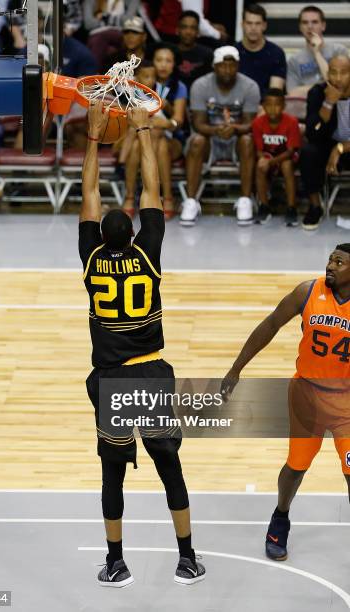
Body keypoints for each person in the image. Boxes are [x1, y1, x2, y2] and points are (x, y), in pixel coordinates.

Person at [79, 99, 205, 586]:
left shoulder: (91, 261)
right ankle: (187, 558)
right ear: (133, 234)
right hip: (150, 373)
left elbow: (89, 189)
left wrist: (94, 136)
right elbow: (153, 188)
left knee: (113, 474)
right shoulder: (147, 253)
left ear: (97, 238)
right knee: (169, 468)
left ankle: (115, 562)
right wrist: (144, 129)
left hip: (110, 379)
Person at [221, 244, 350, 561]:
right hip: (307, 394)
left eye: (340, 262)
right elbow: (270, 325)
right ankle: (280, 516)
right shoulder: (307, 292)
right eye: (330, 259)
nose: (330, 265)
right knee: (296, 467)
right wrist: (236, 368)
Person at [181, 45, 260, 227]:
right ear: (214, 67)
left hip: (237, 139)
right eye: (222, 65)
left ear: (238, 66)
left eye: (232, 65)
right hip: (210, 139)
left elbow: (250, 124)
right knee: (196, 141)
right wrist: (217, 130)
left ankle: (245, 200)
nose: (227, 70)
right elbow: (198, 124)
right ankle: (191, 201)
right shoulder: (200, 85)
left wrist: (233, 128)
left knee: (248, 140)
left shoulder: (250, 86)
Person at [122, 46, 187, 220]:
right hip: (139, 137)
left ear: (174, 65)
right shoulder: (137, 85)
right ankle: (161, 198)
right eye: (159, 60)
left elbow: (178, 121)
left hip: (171, 138)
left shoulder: (178, 87)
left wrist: (166, 123)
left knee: (162, 144)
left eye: (168, 61)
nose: (163, 65)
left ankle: (142, 197)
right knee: (141, 144)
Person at [300, 54, 350, 231]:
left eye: (343, 73)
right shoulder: (317, 93)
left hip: (346, 147)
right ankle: (315, 206)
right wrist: (328, 104)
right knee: (308, 151)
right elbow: (313, 133)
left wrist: (340, 148)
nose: (338, 78)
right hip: (327, 145)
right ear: (327, 74)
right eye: (333, 73)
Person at [252, 89, 301, 226]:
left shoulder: (291, 122)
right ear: (263, 106)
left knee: (286, 165)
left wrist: (271, 162)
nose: (273, 109)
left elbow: (291, 151)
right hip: (268, 156)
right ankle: (264, 207)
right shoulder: (257, 123)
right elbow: (259, 149)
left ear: (284, 106)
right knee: (260, 166)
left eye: (277, 105)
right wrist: (263, 160)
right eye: (269, 105)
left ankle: (291, 208)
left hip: (287, 156)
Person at [287, 5, 349, 97]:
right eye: (305, 22)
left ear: (323, 26)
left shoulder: (339, 51)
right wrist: (324, 87)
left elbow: (338, 84)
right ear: (300, 27)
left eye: (315, 22)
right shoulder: (294, 60)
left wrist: (317, 53)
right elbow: (292, 93)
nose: (310, 26)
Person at [236, 4, 286, 97]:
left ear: (264, 26)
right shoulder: (233, 53)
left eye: (257, 23)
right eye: (249, 23)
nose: (253, 28)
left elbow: (275, 93)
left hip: (266, 108)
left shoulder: (276, 53)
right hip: (237, 107)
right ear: (242, 25)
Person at [83, 0, 140, 69]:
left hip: (118, 33)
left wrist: (104, 17)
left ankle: (92, 72)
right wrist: (116, 19)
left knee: (101, 37)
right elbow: (88, 24)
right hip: (96, 35)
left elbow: (128, 20)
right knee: (110, 50)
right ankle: (107, 74)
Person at [176, 10, 214, 91]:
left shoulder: (207, 54)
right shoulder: (170, 52)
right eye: (184, 27)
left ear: (198, 32)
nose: (188, 32)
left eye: (193, 28)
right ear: (177, 30)